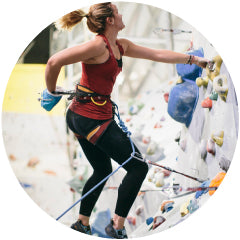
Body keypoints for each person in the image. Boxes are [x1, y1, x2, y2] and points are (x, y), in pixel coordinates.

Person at [42, 2, 209, 238]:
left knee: (101, 170)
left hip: (84, 115)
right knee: (138, 167)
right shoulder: (97, 45)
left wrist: (192, 60)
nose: (121, 14)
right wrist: (51, 91)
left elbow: (157, 54)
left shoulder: (120, 46)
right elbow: (53, 62)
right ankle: (117, 227)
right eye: (117, 11)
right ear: (110, 20)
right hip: (90, 117)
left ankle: (81, 223)